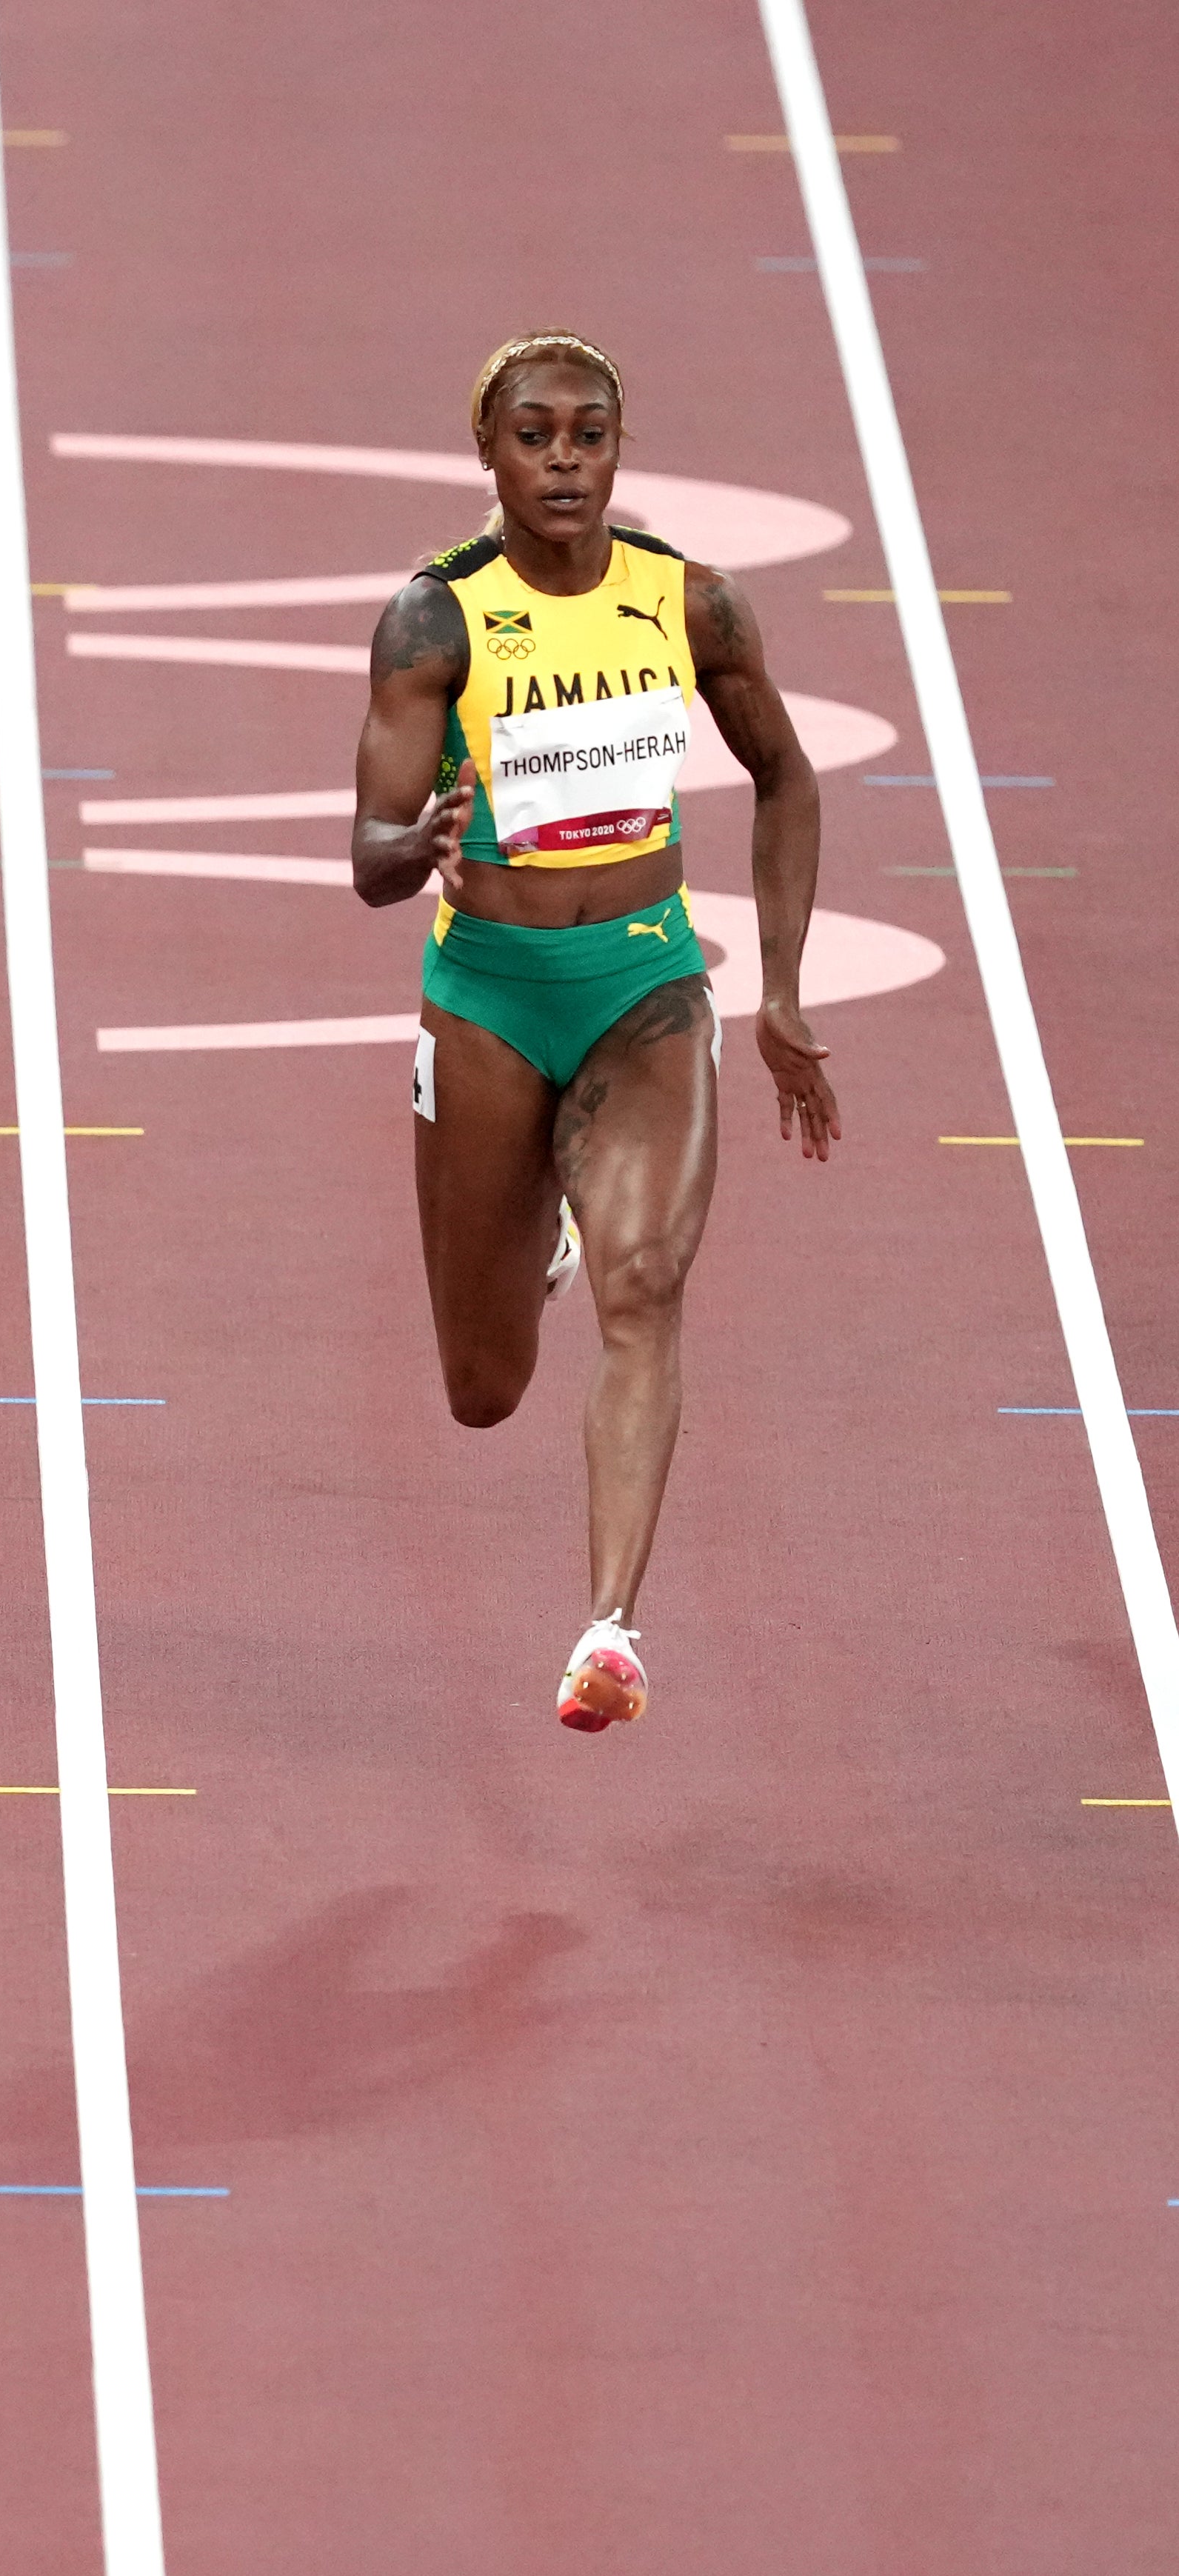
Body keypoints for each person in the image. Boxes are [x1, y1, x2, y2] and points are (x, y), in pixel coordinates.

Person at [353, 331, 840, 1732]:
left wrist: (784, 996)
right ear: (489, 455)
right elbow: (370, 856)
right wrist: (418, 839)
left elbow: (786, 779)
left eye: (588, 435)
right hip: (490, 998)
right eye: (534, 437)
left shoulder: (691, 606)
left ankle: (611, 1629)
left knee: (648, 1289)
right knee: (482, 1388)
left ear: (618, 448)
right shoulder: (434, 621)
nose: (563, 461)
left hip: (645, 987)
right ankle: (541, 1235)